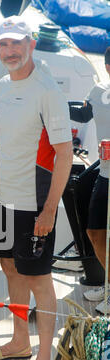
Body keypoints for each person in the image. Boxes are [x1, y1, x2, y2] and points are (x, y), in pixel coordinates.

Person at [0, 16, 73, 360]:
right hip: (4, 199)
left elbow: (65, 154)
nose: (10, 51)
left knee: (39, 280)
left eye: (17, 44)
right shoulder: (1, 85)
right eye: (3, 45)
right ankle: (20, 340)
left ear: (32, 44)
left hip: (34, 204)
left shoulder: (47, 90)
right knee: (9, 268)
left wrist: (50, 209)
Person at [69, 47, 110, 313]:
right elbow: (83, 114)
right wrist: (49, 104)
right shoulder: (99, 91)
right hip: (105, 174)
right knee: (95, 232)